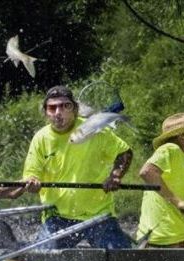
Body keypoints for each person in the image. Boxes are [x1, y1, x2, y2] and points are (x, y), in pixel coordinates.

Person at [23, 85, 133, 249]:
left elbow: (124, 152)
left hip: (99, 214)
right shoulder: (40, 138)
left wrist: (115, 175)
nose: (58, 112)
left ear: (74, 109)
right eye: (52, 108)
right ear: (46, 112)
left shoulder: (94, 128)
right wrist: (32, 183)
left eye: (64, 106)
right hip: (57, 216)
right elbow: (32, 174)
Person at [136, 112, 184, 248]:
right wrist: (178, 202)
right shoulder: (170, 149)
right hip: (164, 240)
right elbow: (147, 172)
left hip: (176, 238)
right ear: (182, 137)